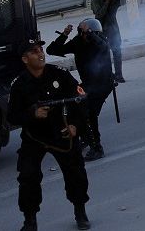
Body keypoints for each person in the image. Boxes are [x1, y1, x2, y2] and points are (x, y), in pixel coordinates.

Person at [9, 38, 92, 231]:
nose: (40, 54)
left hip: (62, 133)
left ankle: (80, 210)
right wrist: (32, 113)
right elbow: (12, 116)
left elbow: (81, 102)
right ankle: (30, 220)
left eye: (41, 49)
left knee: (76, 174)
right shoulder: (19, 84)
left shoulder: (60, 75)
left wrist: (75, 127)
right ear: (25, 59)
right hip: (35, 137)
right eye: (34, 51)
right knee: (28, 177)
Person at [46, 18, 115, 162]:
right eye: (82, 34)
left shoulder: (101, 41)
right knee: (75, 109)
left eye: (87, 34)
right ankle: (85, 136)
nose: (84, 37)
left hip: (103, 84)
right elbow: (52, 50)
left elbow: (101, 46)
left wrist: (89, 32)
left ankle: (97, 147)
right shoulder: (77, 42)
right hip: (88, 84)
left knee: (89, 114)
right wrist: (64, 35)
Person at [90, 0, 124, 83]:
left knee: (117, 51)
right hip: (101, 29)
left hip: (113, 27)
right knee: (104, 53)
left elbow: (118, 6)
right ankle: (108, 75)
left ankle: (119, 75)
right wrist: (107, 2)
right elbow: (99, 14)